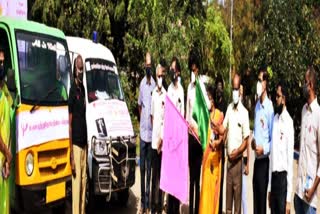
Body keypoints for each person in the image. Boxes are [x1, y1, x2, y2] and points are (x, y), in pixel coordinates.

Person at [214, 73, 250, 214]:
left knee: (237, 206)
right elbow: (224, 128)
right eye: (233, 89)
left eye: (236, 89)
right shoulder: (229, 108)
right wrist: (217, 127)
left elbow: (246, 140)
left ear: (239, 89)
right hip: (229, 162)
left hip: (238, 163)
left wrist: (238, 152)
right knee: (228, 204)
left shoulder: (245, 113)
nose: (235, 92)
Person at [186, 51, 210, 214]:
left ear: (198, 70)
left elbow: (207, 108)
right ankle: (191, 209)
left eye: (195, 70)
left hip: (199, 138)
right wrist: (188, 124)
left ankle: (196, 210)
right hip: (190, 136)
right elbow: (188, 112)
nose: (193, 73)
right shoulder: (189, 87)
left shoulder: (201, 87)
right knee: (191, 177)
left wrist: (200, 129)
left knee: (198, 179)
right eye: (191, 70)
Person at [294, 66, 320, 214]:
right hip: (299, 192)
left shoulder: (318, 114)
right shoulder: (304, 110)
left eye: (304, 82)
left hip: (310, 197)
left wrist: (313, 189)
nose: (302, 86)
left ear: (310, 85)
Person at [267, 81, 294, 214]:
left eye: (277, 96)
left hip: (283, 181)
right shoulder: (275, 120)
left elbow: (290, 163)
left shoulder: (289, 123)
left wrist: (288, 199)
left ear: (283, 99)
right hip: (274, 180)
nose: (275, 99)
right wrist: (269, 189)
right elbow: (272, 157)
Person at [199, 86, 224, 214]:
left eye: (209, 98)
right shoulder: (204, 116)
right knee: (204, 192)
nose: (208, 101)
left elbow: (222, 138)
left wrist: (216, 143)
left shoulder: (219, 115)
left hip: (214, 160)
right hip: (205, 160)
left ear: (213, 100)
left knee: (213, 192)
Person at [252, 67, 274, 214]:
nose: (258, 84)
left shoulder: (269, 108)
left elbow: (273, 139)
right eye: (258, 80)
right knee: (256, 202)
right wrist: (253, 141)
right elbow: (255, 131)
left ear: (266, 83)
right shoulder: (257, 106)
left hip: (264, 161)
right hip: (256, 160)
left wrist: (264, 149)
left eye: (261, 80)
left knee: (261, 205)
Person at [68, 55, 88, 214]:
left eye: (82, 69)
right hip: (75, 145)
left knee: (83, 184)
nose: (80, 71)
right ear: (74, 69)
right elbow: (70, 122)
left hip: (84, 145)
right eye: (78, 68)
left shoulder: (83, 89)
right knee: (76, 189)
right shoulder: (73, 90)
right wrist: (71, 157)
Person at [138, 52, 156, 214]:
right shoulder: (142, 84)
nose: (148, 68)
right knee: (142, 169)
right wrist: (141, 121)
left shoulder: (156, 86)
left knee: (150, 171)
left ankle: (148, 202)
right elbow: (139, 105)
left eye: (150, 66)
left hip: (152, 136)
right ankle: (143, 203)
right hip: (143, 135)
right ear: (144, 67)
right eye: (147, 66)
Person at [167, 56, 184, 214]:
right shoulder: (169, 90)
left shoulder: (181, 91)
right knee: (169, 182)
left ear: (178, 71)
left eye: (174, 69)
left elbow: (182, 116)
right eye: (170, 69)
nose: (172, 71)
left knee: (176, 184)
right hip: (169, 142)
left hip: (178, 142)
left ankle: (175, 210)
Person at [150, 64, 166, 214]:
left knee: (161, 178)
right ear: (156, 76)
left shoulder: (166, 95)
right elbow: (152, 117)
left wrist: (162, 138)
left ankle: (160, 205)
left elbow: (165, 120)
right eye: (159, 76)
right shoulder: (153, 94)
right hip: (154, 143)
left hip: (163, 143)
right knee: (154, 176)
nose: (160, 78)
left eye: (162, 76)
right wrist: (155, 137)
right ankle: (153, 206)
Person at [240, 84, 251, 214]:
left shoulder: (245, 113)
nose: (239, 94)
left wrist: (248, 163)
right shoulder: (231, 110)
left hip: (242, 159)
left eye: (241, 92)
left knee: (243, 193)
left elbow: (247, 141)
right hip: (233, 159)